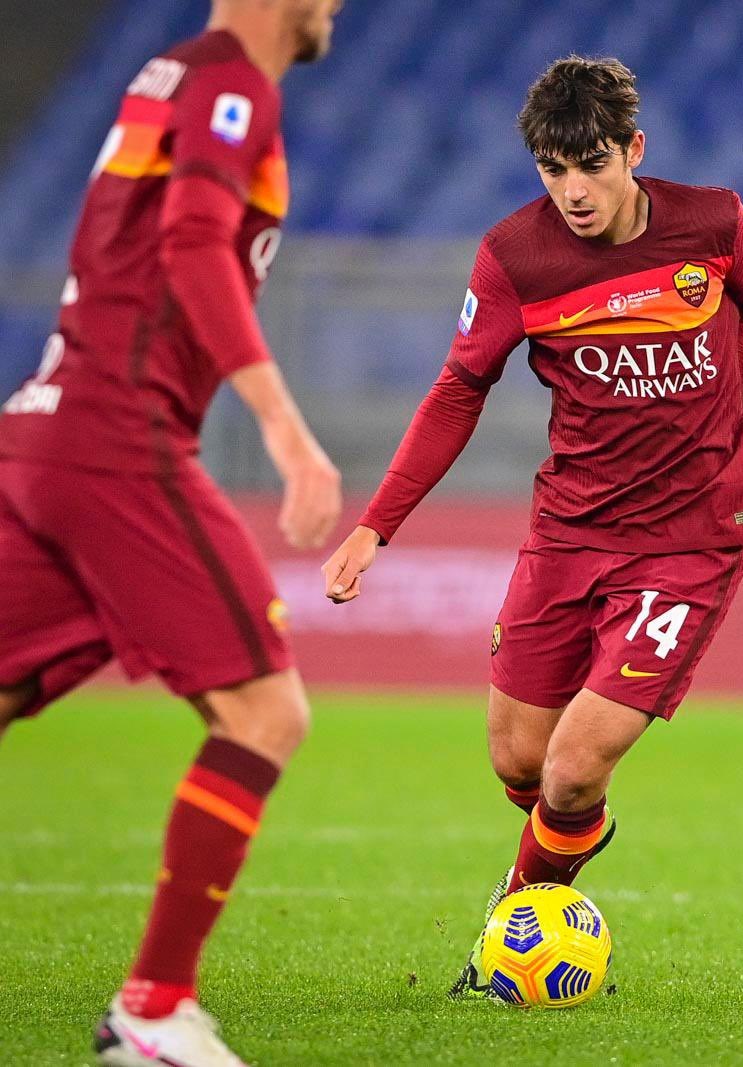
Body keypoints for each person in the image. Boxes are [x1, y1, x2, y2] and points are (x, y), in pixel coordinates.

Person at [318, 55, 743, 999]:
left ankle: (514, 924)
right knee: (519, 760)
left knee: (572, 771)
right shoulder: (513, 258)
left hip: (690, 539)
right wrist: (377, 525)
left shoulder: (712, 221)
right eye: (553, 169)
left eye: (593, 165)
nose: (574, 191)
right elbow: (459, 390)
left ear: (634, 151)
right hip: (570, 530)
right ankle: (548, 875)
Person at [0, 1, 343, 1063]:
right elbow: (194, 241)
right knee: (264, 710)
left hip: (43, 430)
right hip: (120, 439)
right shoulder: (235, 84)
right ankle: (153, 1009)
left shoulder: (165, 77)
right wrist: (286, 429)